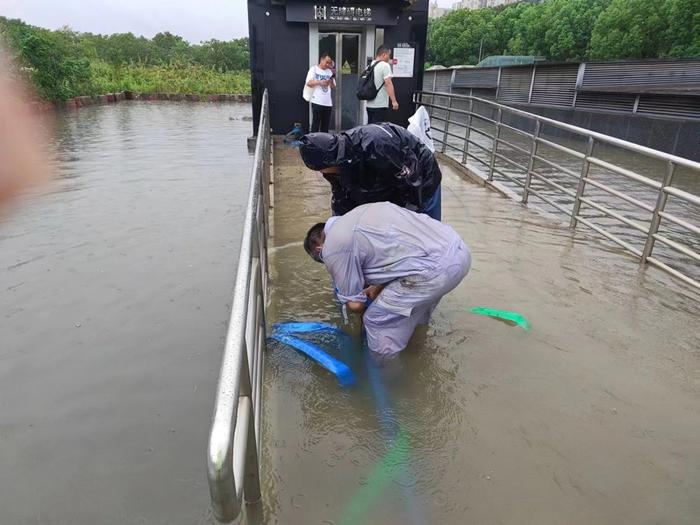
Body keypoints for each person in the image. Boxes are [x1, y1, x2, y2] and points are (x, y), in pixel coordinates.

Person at [304, 202, 471, 356]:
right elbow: (397, 255)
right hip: (458, 252)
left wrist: (357, 309)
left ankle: (386, 379)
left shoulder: (333, 246)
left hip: (433, 271)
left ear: (320, 249)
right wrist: (376, 288)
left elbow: (356, 305)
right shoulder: (359, 215)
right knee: (417, 317)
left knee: (376, 321)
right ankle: (418, 358)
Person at [298, 122, 442, 220]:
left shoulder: (375, 144)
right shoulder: (337, 164)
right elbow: (341, 196)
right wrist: (337, 224)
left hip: (424, 178)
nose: (321, 173)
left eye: (320, 169)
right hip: (393, 187)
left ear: (326, 160)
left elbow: (411, 178)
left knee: (426, 231)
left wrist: (406, 214)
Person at [366, 46, 399, 124]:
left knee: (370, 129)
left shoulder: (369, 65)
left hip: (369, 104)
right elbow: (388, 83)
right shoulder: (384, 65)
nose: (389, 57)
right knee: (379, 131)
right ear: (384, 54)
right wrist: (394, 101)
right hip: (380, 105)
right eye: (389, 55)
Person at [305, 52, 336, 133]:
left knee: (325, 126)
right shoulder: (314, 69)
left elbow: (333, 86)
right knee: (315, 125)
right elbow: (309, 83)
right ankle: (313, 144)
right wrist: (320, 82)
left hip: (328, 103)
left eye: (329, 62)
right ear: (321, 60)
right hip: (317, 101)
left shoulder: (329, 71)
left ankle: (324, 143)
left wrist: (331, 82)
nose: (328, 64)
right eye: (326, 62)